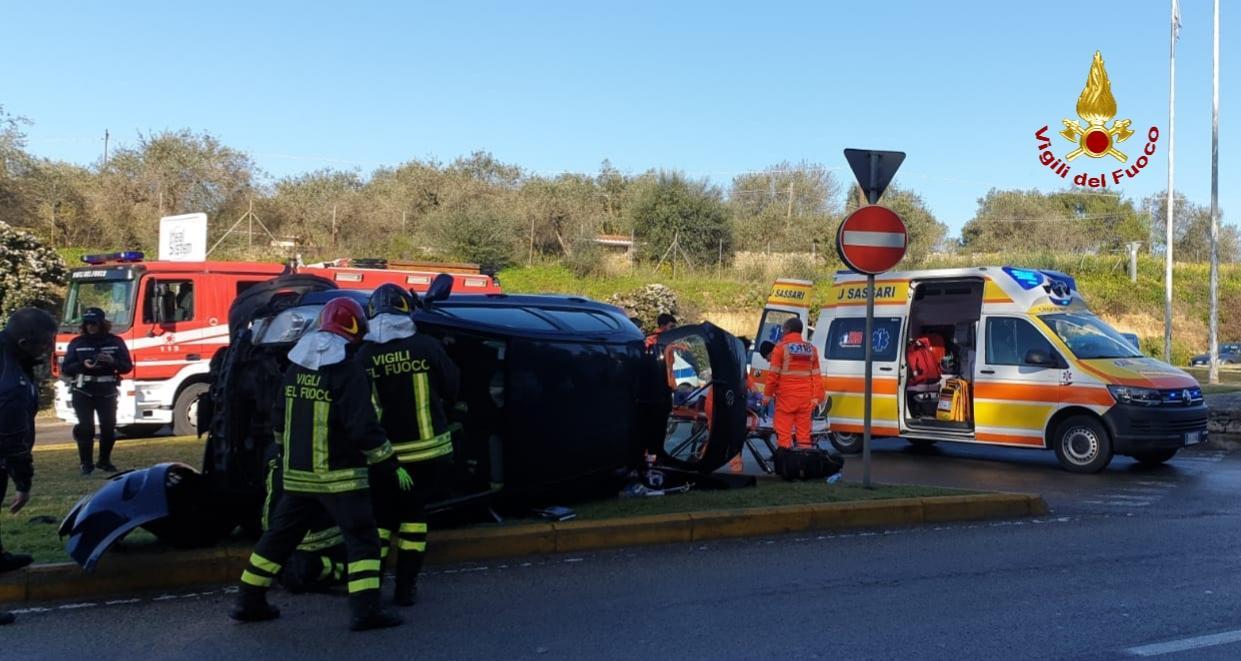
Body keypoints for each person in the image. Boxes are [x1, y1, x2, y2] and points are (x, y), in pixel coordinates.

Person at [231, 297, 410, 632]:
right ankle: (366, 610)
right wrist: (388, 462)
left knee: (278, 538)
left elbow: (279, 420)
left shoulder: (297, 367)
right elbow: (363, 427)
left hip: (298, 476)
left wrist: (287, 454)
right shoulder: (348, 371)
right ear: (354, 328)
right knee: (363, 540)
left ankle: (248, 601)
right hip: (340, 478)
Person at [359, 284, 460, 606]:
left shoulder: (363, 355)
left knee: (381, 522)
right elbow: (453, 386)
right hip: (429, 454)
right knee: (414, 519)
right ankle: (405, 588)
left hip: (384, 458)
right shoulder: (427, 347)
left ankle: (369, 590)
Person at [0, 308, 58, 626]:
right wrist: (23, 483)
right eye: (46, 342)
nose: (49, 348)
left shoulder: (11, 356)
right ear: (25, 342)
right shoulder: (12, 381)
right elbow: (13, 440)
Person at [60, 308, 132, 475]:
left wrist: (112, 361)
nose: (91, 327)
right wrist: (82, 365)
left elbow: (127, 366)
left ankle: (104, 461)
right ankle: (86, 464)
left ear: (102, 324)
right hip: (83, 390)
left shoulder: (115, 342)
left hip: (107, 390)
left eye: (94, 323)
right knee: (86, 427)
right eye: (87, 323)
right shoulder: (77, 343)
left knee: (108, 427)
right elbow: (66, 368)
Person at [763, 317, 824, 449]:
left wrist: (766, 398)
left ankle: (785, 459)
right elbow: (817, 377)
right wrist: (816, 399)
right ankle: (804, 458)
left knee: (784, 435)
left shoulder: (780, 349)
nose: (782, 332)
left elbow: (773, 377)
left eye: (783, 329)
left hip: (786, 400)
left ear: (788, 329)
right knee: (804, 436)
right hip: (805, 400)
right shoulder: (812, 350)